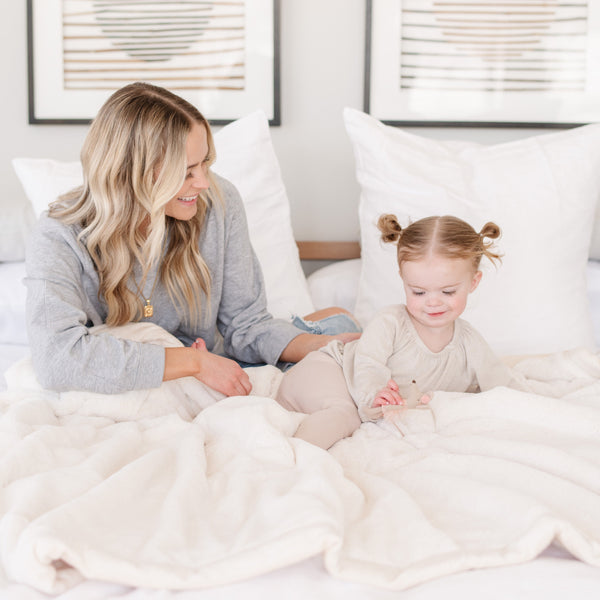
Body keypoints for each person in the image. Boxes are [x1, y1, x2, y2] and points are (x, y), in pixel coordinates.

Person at [24, 82, 360, 396]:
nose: (202, 182)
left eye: (206, 164)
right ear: (132, 175)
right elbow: (56, 359)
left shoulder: (217, 202)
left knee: (340, 329)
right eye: (186, 172)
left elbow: (245, 325)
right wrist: (193, 362)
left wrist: (319, 346)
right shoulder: (60, 235)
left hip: (216, 368)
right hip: (140, 383)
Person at [276, 214, 518, 450]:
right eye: (419, 292)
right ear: (403, 280)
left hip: (348, 392)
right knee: (345, 416)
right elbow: (369, 363)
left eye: (447, 292)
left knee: (348, 413)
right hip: (327, 370)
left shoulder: (469, 342)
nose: (433, 302)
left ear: (473, 282)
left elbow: (502, 385)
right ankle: (293, 458)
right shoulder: (391, 322)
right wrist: (374, 394)